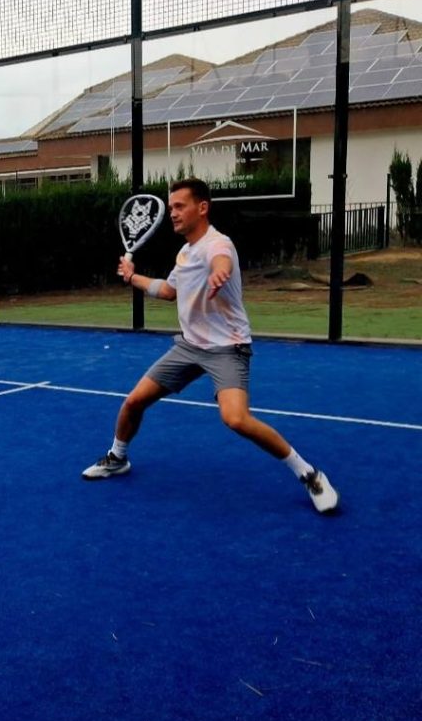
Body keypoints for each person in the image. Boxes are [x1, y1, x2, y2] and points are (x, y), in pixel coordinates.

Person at [82, 178, 338, 514]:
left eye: (179, 206)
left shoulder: (219, 244)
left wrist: (220, 274)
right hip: (189, 347)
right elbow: (169, 290)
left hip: (227, 348)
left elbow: (222, 262)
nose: (172, 214)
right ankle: (117, 457)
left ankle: (310, 474)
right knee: (133, 402)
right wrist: (132, 277)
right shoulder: (185, 253)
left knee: (235, 418)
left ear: (202, 208)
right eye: (170, 207)